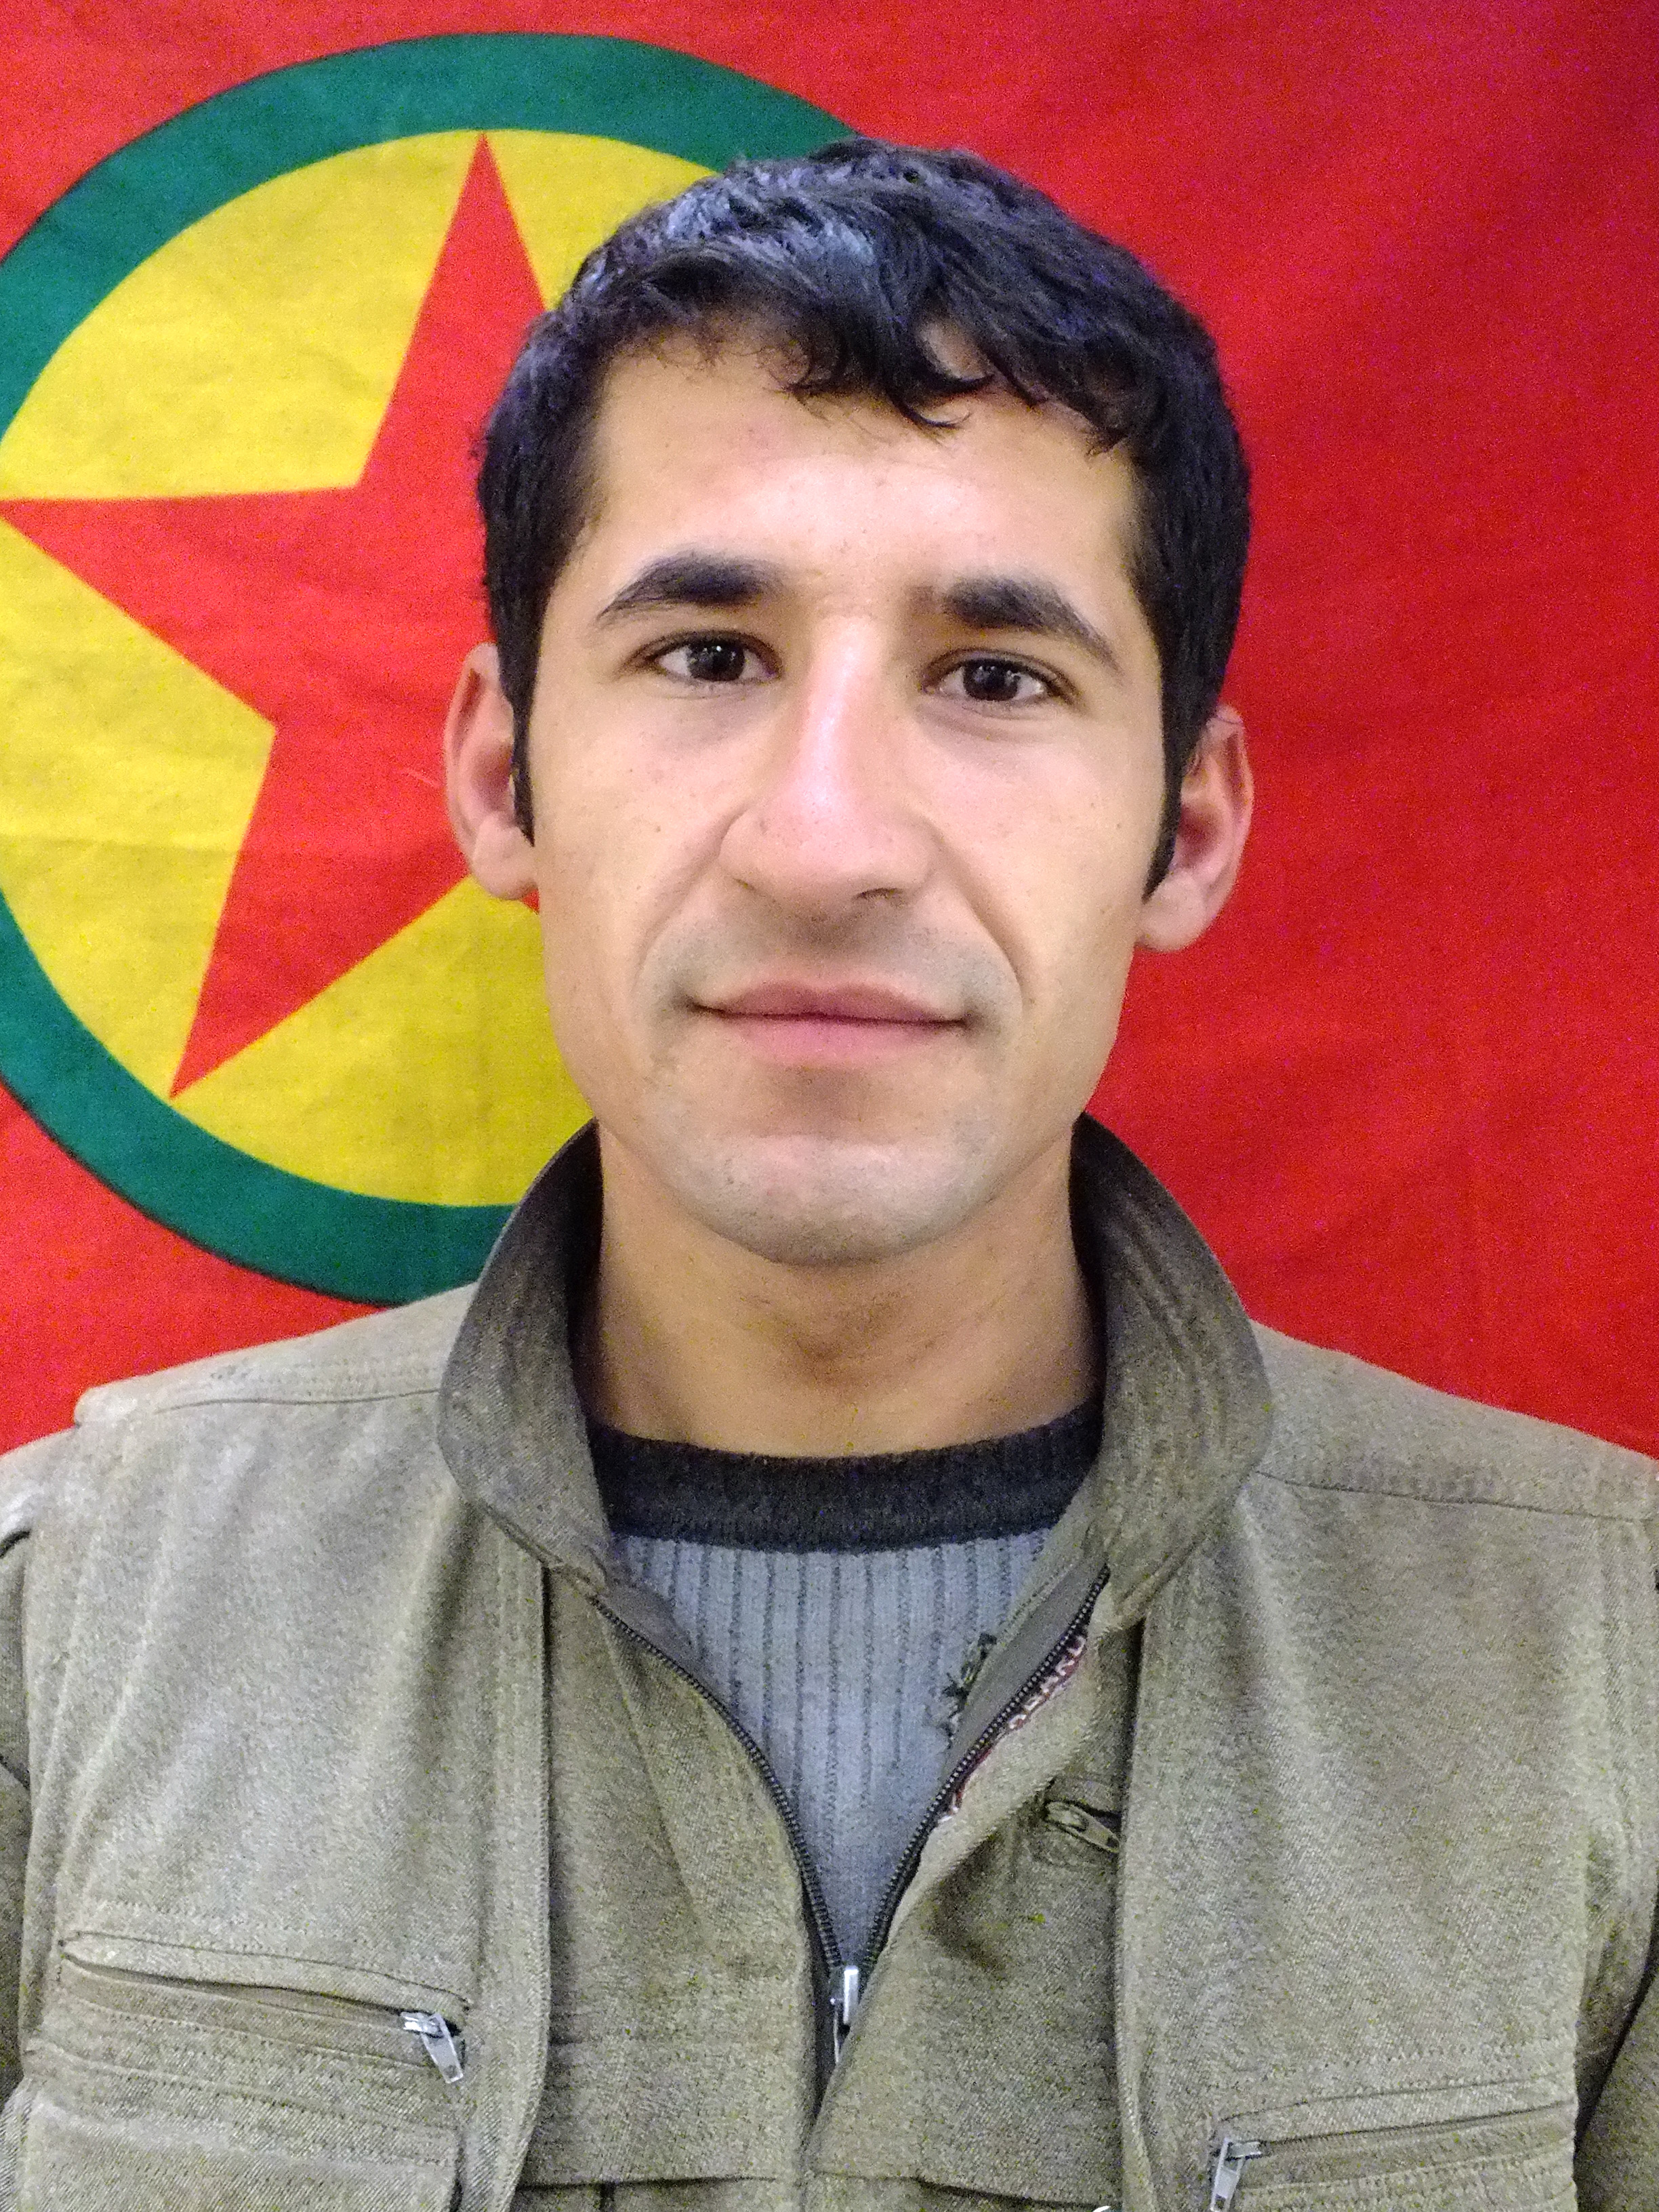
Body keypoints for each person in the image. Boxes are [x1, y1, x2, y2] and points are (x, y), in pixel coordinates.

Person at [0, 138, 1652, 2212]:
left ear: (1189, 827)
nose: (827, 844)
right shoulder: (68, 1630)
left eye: (997, 677)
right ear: (506, 777)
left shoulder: (1603, 1671)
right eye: (709, 656)